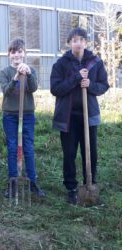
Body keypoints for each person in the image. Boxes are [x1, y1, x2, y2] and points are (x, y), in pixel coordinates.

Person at [50, 28, 109, 204]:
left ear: (86, 43)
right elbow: (56, 89)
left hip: (88, 116)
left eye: (81, 40)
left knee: (90, 152)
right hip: (67, 117)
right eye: (74, 40)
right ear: (69, 43)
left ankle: (90, 184)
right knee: (69, 154)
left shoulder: (95, 62)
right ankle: (71, 188)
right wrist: (76, 78)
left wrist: (90, 85)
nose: (78, 43)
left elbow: (104, 85)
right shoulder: (60, 64)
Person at [0, 38, 45, 198]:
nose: (16, 55)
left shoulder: (31, 70)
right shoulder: (5, 72)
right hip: (10, 116)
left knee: (28, 148)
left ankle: (32, 182)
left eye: (19, 52)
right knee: (12, 148)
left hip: (27, 115)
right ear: (8, 54)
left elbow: (32, 88)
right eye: (13, 52)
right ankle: (13, 182)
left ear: (24, 54)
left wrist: (29, 74)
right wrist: (16, 76)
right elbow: (6, 91)